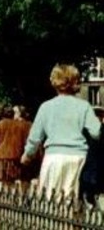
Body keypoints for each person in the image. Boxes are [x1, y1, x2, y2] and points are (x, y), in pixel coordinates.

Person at [21, 64, 101, 200]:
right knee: (74, 200)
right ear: (75, 81)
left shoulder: (46, 107)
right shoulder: (84, 106)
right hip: (78, 159)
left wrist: (27, 155)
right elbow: (96, 132)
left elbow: (35, 137)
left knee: (52, 201)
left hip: (53, 158)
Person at [0, 105, 32, 186]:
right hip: (15, 156)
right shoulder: (19, 125)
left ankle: (5, 196)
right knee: (13, 180)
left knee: (4, 182)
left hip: (2, 156)